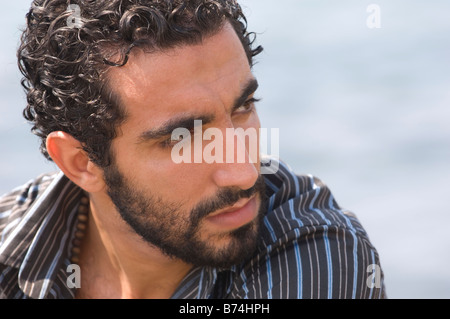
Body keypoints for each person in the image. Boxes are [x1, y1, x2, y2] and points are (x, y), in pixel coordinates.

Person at [0, 0, 386, 299]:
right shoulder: (10, 243)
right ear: (82, 162)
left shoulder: (317, 256)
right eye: (184, 138)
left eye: (243, 107)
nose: (245, 173)